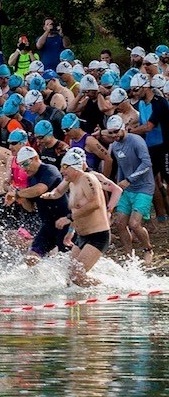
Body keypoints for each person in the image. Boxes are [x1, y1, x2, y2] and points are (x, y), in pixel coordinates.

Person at [42, 149, 117, 286]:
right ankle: (77, 306)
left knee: (77, 276)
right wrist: (71, 231)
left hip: (98, 236)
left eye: (65, 167)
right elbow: (59, 193)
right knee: (69, 279)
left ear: (75, 168)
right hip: (82, 236)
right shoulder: (72, 183)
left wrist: (69, 218)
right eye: (61, 167)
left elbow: (95, 203)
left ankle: (110, 290)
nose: (61, 171)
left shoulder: (88, 178)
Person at [103, 115, 155, 262]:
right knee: (120, 223)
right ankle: (128, 255)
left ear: (124, 128)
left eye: (116, 132)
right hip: (128, 188)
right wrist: (119, 184)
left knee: (134, 224)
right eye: (111, 133)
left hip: (144, 187)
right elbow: (122, 166)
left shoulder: (136, 141)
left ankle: (148, 249)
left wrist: (129, 180)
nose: (114, 136)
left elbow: (146, 164)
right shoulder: (115, 145)